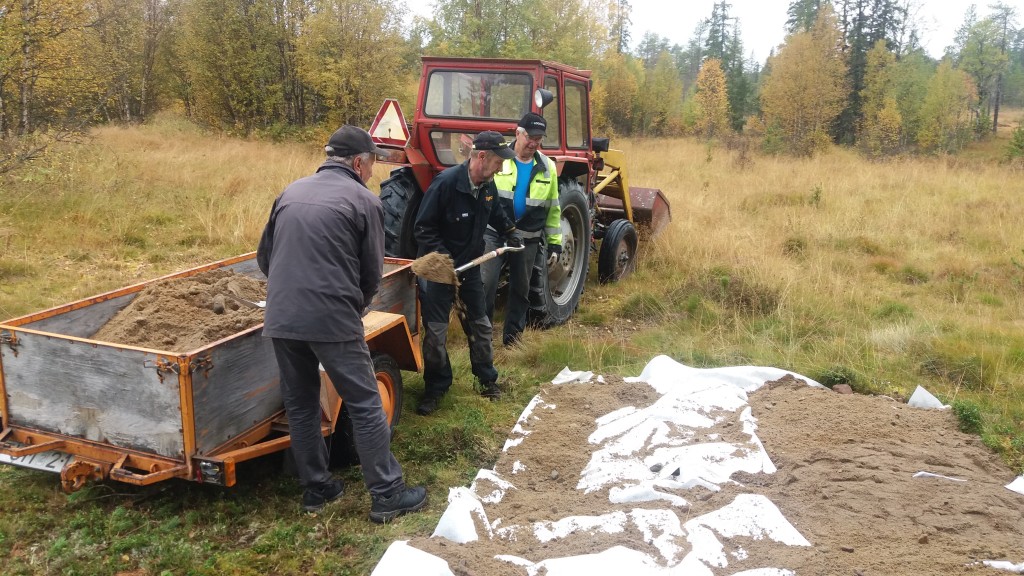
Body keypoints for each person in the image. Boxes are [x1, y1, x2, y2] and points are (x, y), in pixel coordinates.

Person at [257, 125, 426, 522]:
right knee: (366, 402)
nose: (371, 174)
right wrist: (356, 307)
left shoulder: (290, 192)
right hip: (332, 318)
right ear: (357, 162)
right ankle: (387, 494)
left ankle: (317, 488)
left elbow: (266, 259)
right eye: (370, 165)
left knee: (300, 402)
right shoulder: (363, 201)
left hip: (281, 316)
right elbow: (372, 274)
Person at [413, 131, 518, 416]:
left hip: (470, 268)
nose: (501, 168)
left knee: (481, 326)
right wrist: (443, 259)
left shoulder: (487, 185)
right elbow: (423, 228)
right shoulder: (445, 184)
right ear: (481, 156)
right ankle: (436, 387)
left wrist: (510, 231)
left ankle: (487, 379)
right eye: (498, 162)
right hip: (439, 271)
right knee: (435, 333)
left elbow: (495, 211)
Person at [481, 112, 561, 347]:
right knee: (486, 283)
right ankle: (482, 337)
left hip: (528, 238)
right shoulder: (499, 157)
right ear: (518, 133)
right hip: (494, 233)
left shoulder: (548, 167)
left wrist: (555, 241)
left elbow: (553, 208)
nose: (534, 143)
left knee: (521, 289)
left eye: (539, 138)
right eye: (530, 137)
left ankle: (513, 339)